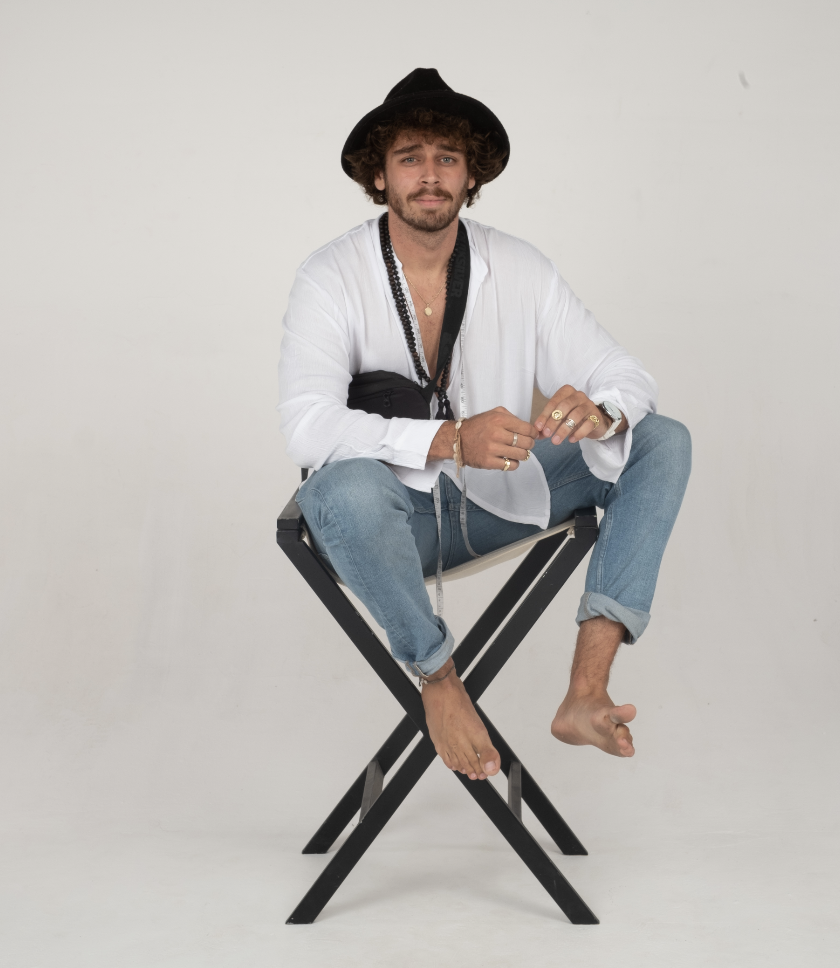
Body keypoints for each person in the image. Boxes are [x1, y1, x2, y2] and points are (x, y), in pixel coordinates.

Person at [277, 68, 691, 783]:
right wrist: (447, 439)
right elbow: (306, 428)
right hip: (388, 526)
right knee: (341, 490)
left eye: (447, 158)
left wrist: (603, 412)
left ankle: (586, 690)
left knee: (660, 439)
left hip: (501, 497)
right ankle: (439, 680)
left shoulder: (519, 266)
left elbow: (624, 373)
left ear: (471, 176)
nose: (429, 175)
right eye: (409, 157)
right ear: (379, 175)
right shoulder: (329, 276)